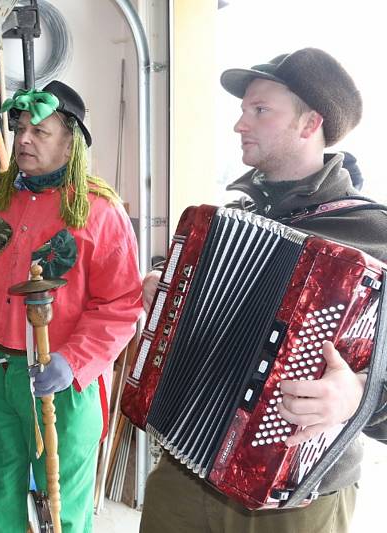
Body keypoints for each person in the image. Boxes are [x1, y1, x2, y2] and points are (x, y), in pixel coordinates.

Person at [139, 48, 387, 533]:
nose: (240, 125)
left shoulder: (370, 233)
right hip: (186, 469)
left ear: (309, 123)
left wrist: (358, 396)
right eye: (241, 111)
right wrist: (168, 298)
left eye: (259, 110)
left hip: (295, 496)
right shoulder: (229, 221)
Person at [0, 81, 143, 532]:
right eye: (19, 128)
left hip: (61, 376)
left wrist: (73, 362)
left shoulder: (98, 210)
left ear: (71, 141)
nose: (24, 139)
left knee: (62, 504)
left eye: (40, 131)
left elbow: (120, 305)